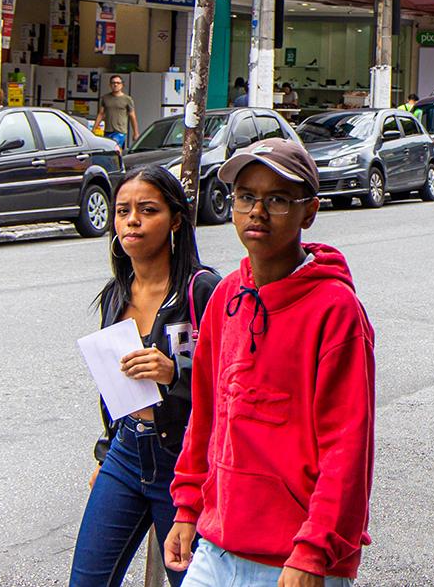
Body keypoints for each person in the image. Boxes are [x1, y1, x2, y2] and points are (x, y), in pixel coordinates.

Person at [165, 139, 375, 586]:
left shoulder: (335, 311)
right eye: (246, 197)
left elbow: (346, 446)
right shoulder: (225, 297)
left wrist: (313, 551)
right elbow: (207, 415)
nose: (257, 211)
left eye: (277, 199)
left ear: (309, 212)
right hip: (216, 548)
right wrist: (187, 506)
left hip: (293, 560)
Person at [70, 167, 221, 587]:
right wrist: (106, 451)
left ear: (175, 220)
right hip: (126, 452)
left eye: (147, 209)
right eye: (122, 211)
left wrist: (175, 374)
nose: (131, 220)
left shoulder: (202, 290)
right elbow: (112, 388)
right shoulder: (116, 293)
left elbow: (233, 383)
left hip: (185, 462)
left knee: (192, 582)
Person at [96, 76, 139, 151]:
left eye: (118, 83)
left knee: (115, 149)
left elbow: (132, 116)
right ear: (110, 85)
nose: (115, 85)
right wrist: (94, 128)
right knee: (108, 151)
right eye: (113, 83)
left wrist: (136, 133)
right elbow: (101, 114)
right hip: (108, 130)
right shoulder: (105, 98)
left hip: (120, 131)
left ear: (122, 85)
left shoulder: (127, 99)